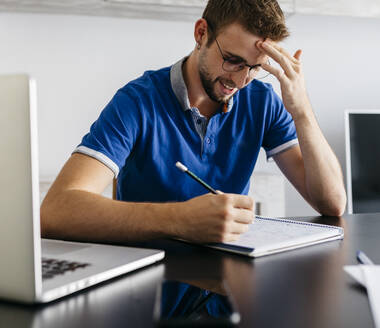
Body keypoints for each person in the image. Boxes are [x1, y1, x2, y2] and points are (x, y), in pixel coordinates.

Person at [40, 0, 346, 244]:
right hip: (149, 290)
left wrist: (301, 109)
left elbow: (332, 204)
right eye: (233, 60)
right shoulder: (137, 101)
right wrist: (179, 220)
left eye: (255, 67)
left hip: (229, 291)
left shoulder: (261, 100)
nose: (240, 80)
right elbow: (56, 211)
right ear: (201, 33)